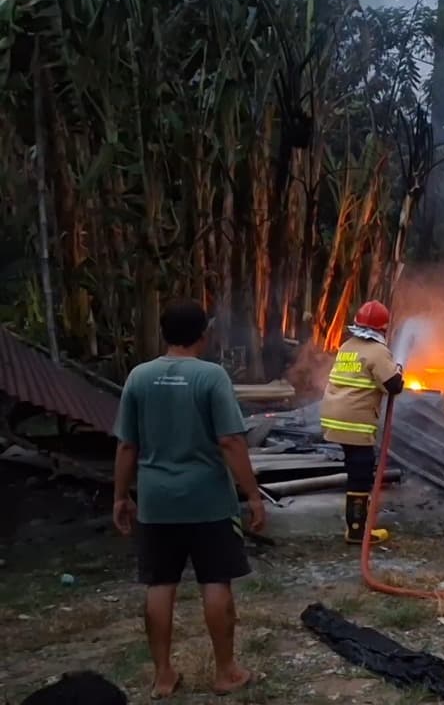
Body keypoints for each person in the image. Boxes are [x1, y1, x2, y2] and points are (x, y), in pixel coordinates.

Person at [112, 300, 265, 699]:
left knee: (159, 583)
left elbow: (127, 445)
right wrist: (252, 495)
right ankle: (225, 671)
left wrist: (120, 496)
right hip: (208, 500)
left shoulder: (139, 377)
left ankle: (163, 675)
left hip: (157, 500)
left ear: (164, 334)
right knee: (215, 580)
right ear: (204, 333)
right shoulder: (212, 377)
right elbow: (230, 440)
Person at [319, 300, 404, 544]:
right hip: (354, 421)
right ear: (383, 329)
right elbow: (393, 386)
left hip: (333, 416)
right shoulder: (378, 351)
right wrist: (399, 372)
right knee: (361, 473)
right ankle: (357, 530)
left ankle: (356, 525)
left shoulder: (347, 346)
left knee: (356, 469)